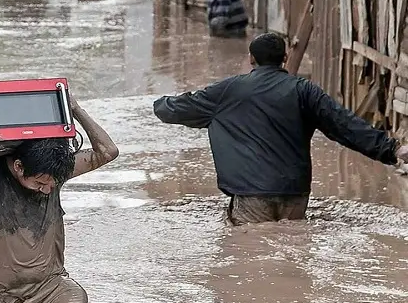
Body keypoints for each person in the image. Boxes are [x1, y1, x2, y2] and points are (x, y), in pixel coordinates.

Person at [152, 32, 408, 225]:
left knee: (248, 258)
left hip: (251, 195)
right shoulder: (304, 90)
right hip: (294, 193)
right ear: (285, 58)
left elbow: (179, 108)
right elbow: (344, 124)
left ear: (251, 59)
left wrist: (158, 104)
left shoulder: (229, 91)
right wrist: (392, 150)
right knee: (291, 250)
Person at [0, 77, 119, 303]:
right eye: (39, 183)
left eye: (51, 185)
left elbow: (107, 152)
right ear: (19, 167)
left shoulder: (53, 173)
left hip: (51, 291)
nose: (46, 190)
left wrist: (74, 108)